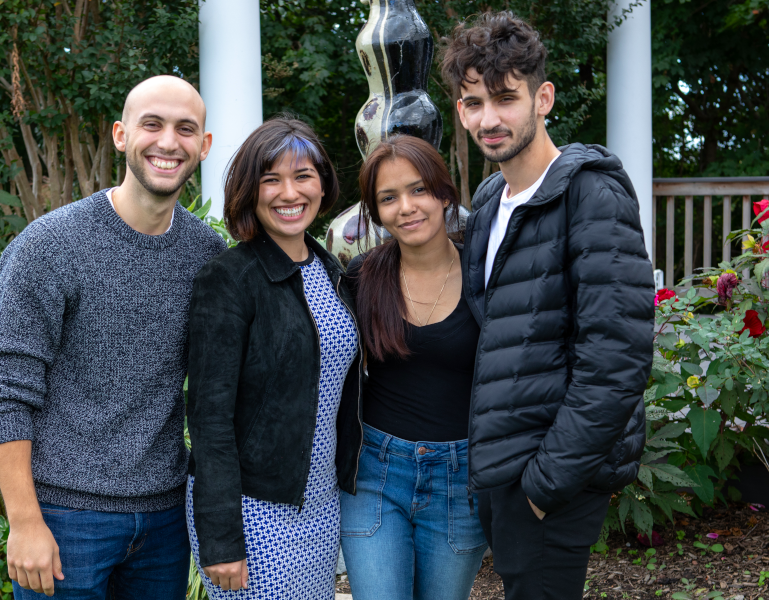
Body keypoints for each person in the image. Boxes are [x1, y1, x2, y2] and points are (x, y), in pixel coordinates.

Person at [0, 75, 226, 599]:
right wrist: (24, 523)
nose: (167, 142)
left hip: (164, 522)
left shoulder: (207, 256)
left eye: (185, 129)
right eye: (151, 124)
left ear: (202, 146)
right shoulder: (48, 246)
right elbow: (4, 391)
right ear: (119, 135)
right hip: (65, 521)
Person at [440, 12, 654, 600]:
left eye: (506, 98)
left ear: (543, 98)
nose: (490, 119)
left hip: (549, 481)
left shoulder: (592, 195)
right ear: (460, 110)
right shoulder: (488, 201)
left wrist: (543, 487)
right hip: (504, 470)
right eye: (474, 102)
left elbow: (616, 362)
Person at [185, 116, 362, 599]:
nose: (289, 192)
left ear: (323, 185)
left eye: (303, 176)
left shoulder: (332, 271)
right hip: (252, 510)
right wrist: (222, 539)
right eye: (271, 179)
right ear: (250, 190)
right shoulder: (228, 280)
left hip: (321, 505)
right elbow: (209, 419)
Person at [339, 135, 488, 600]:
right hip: (376, 475)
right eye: (388, 197)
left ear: (444, 193)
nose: (406, 207)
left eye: (419, 189)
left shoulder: (487, 276)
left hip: (461, 480)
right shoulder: (360, 279)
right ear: (376, 212)